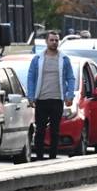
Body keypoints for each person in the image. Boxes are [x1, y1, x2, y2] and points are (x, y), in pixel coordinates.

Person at [26, 30, 76, 158]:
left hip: (57, 99)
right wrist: (31, 96)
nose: (54, 42)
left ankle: (53, 157)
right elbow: (31, 78)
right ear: (46, 41)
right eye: (51, 40)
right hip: (41, 99)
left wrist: (69, 95)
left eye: (56, 40)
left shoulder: (64, 59)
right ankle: (39, 156)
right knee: (40, 130)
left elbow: (70, 78)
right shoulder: (38, 59)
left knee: (55, 130)